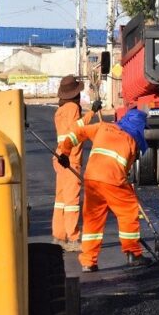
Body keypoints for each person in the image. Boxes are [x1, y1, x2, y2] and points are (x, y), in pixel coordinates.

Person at [57, 108, 149, 272]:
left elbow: (77, 132)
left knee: (93, 219)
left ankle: (88, 261)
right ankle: (133, 253)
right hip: (113, 180)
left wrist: (65, 151)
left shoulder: (102, 127)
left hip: (92, 179)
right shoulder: (132, 141)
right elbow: (124, 170)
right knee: (128, 212)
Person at [52, 75, 98, 252]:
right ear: (75, 94)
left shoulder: (60, 110)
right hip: (69, 158)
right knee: (71, 200)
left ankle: (59, 236)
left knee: (61, 200)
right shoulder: (72, 108)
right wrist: (92, 112)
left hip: (60, 157)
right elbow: (76, 129)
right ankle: (72, 239)